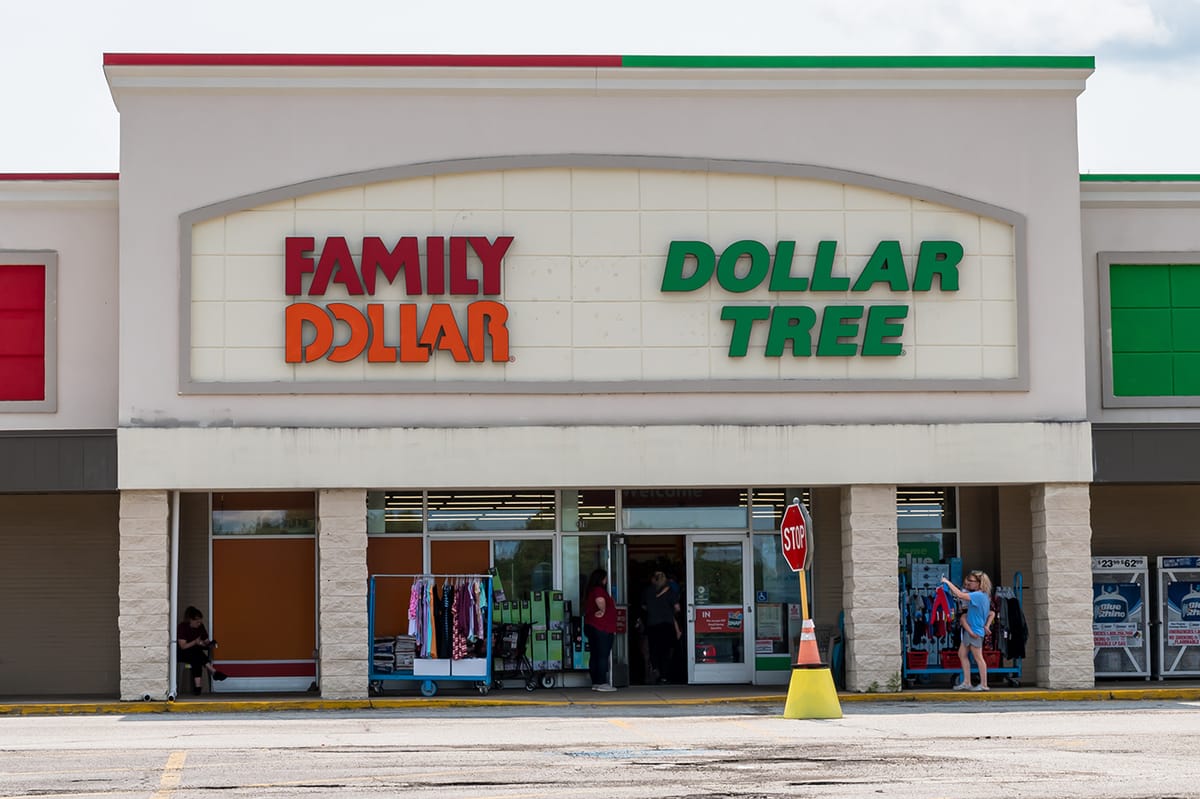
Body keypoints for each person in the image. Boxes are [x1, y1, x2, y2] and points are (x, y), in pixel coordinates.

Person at [941, 571, 995, 692]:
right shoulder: (983, 596)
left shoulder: (978, 595)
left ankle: (984, 684)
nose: (969, 583)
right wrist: (986, 625)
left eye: (971, 581)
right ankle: (967, 682)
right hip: (972, 629)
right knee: (962, 654)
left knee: (978, 658)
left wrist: (947, 582)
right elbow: (991, 613)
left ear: (979, 583)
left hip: (975, 631)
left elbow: (960, 594)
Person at [176, 606, 228, 695]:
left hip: (195, 654)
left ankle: (198, 687)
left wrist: (208, 643)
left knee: (196, 657)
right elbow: (183, 646)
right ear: (190, 620)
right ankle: (213, 672)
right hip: (183, 653)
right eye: (197, 622)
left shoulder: (200, 627)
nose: (199, 624)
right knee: (196, 652)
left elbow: (206, 640)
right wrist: (195, 642)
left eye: (200, 622)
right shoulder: (182, 627)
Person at [641, 570, 680, 684]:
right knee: (666, 651)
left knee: (654, 649)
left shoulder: (648, 591)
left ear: (653, 579)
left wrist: (653, 610)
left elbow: (643, 606)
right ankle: (664, 675)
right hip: (667, 625)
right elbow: (677, 608)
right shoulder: (670, 591)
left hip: (652, 624)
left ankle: (655, 669)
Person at [583, 568, 617, 692]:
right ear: (601, 579)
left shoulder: (590, 590)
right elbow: (600, 600)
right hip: (602, 627)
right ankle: (602, 682)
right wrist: (602, 610)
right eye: (606, 578)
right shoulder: (599, 590)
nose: (607, 580)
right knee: (602, 655)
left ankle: (596, 682)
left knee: (595, 655)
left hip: (591, 625)